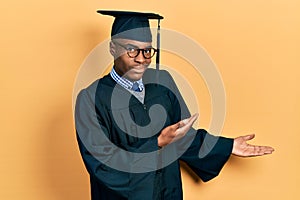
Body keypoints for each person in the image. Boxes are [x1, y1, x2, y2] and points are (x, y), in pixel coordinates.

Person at [75, 10, 274, 200]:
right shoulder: (91, 99)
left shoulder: (163, 82)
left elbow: (182, 138)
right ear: (113, 49)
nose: (141, 59)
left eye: (147, 51)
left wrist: (226, 146)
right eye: (131, 50)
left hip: (167, 192)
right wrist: (157, 143)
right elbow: (102, 164)